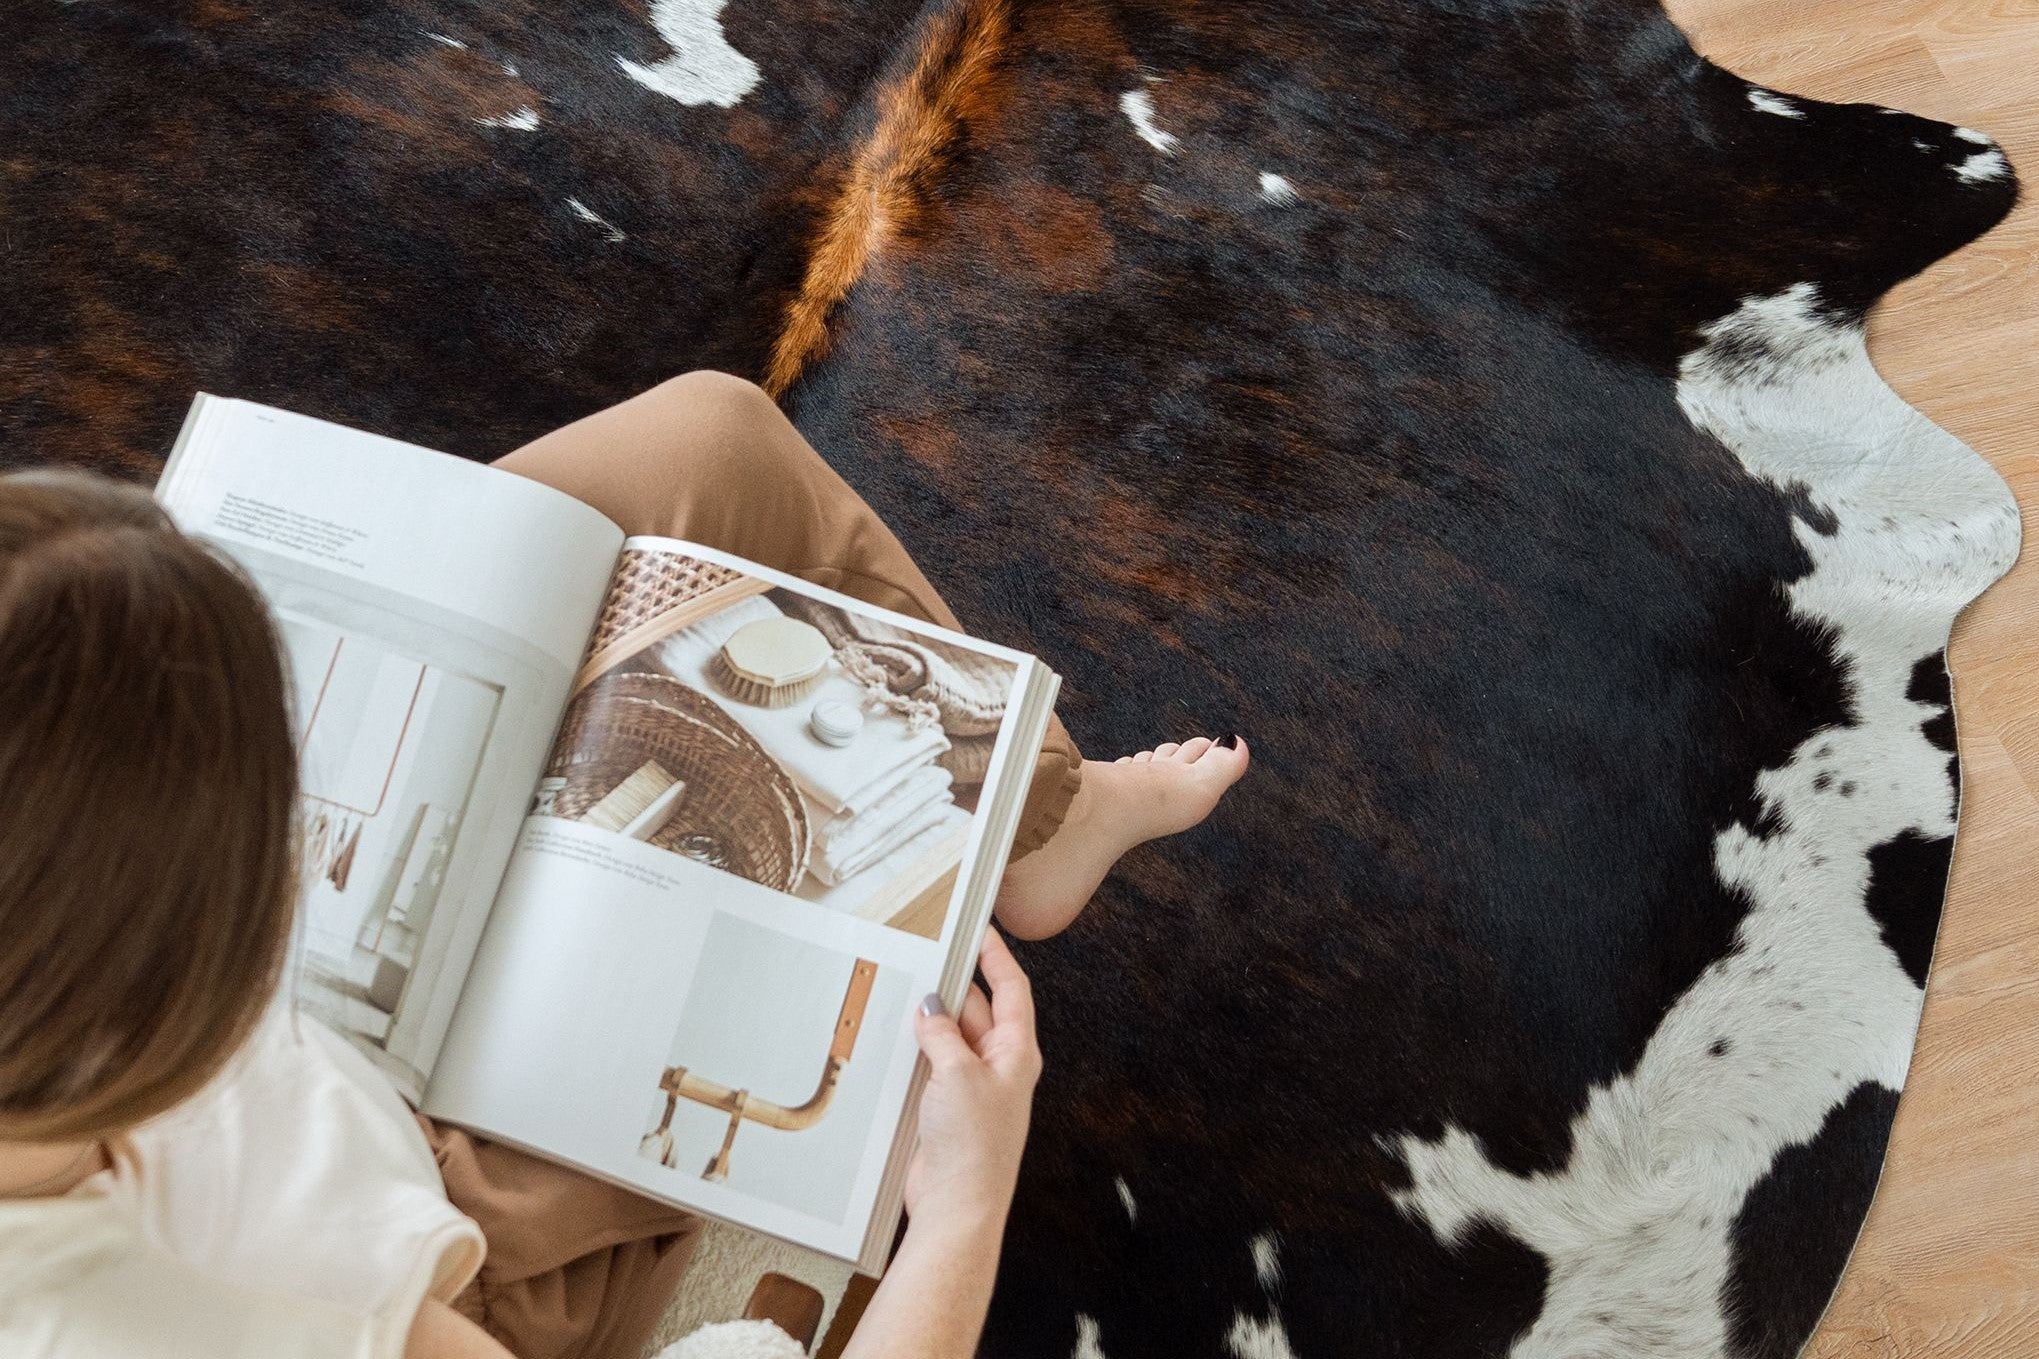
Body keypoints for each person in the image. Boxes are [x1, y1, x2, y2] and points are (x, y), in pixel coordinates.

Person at [0, 375, 1247, 1359]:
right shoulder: (232, 1325)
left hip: (262, 1073)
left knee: (711, 445)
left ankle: (1037, 819)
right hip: (441, 1219)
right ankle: (1017, 835)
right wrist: (963, 1218)